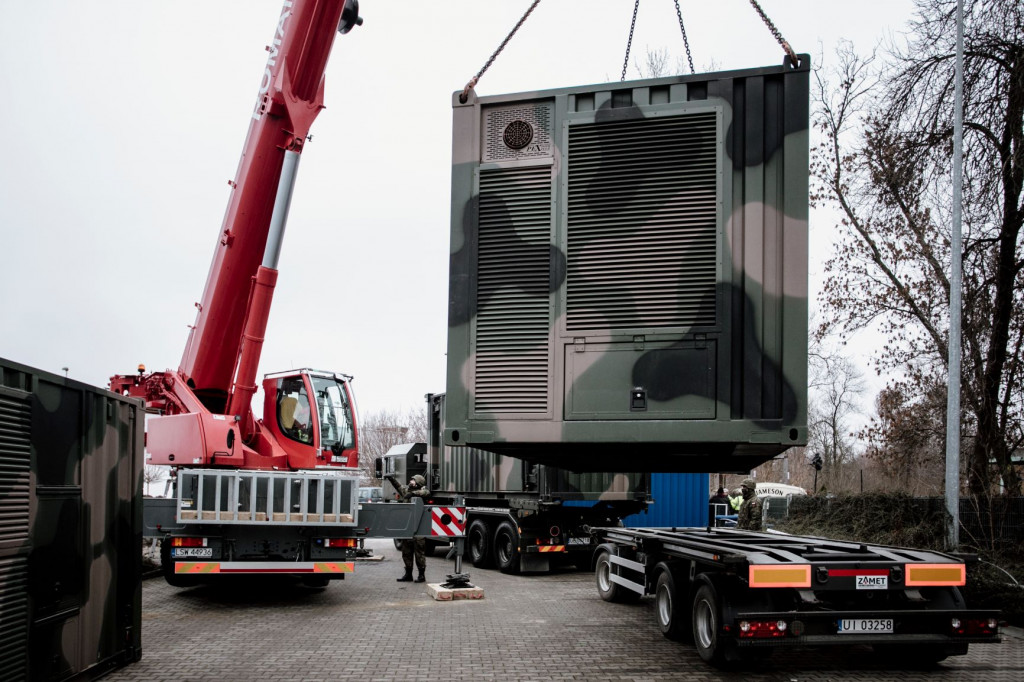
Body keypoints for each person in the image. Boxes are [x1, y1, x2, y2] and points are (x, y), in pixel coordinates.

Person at [395, 474, 429, 583]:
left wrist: (413, 493)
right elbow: (398, 486)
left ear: (418, 482)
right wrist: (391, 479)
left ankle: (421, 575)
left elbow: (426, 492)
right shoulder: (406, 491)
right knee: (406, 552)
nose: (411, 481)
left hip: (419, 528)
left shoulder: (422, 492)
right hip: (408, 528)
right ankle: (408, 574)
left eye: (413, 480)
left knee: (419, 553)